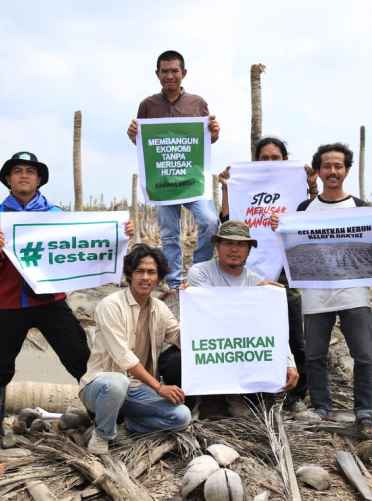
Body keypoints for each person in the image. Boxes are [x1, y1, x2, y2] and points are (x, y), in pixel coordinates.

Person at [0, 151, 134, 451]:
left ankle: (104, 425)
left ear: (39, 179)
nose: (24, 175)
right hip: (8, 303)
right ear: (8, 178)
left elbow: (83, 246)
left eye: (30, 171)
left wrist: (121, 234)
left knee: (80, 358)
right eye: (17, 171)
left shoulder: (56, 215)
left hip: (50, 301)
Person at [272, 143, 372, 435]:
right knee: (315, 354)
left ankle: (364, 411)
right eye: (326, 166)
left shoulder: (362, 207)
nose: (332, 171)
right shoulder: (305, 209)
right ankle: (321, 408)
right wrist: (280, 225)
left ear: (347, 170)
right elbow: (292, 241)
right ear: (318, 171)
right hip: (315, 296)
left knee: (365, 355)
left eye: (338, 166)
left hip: (354, 294)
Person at [159, 220, 300, 418]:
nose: (234, 249)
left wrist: (289, 362)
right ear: (217, 246)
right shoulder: (200, 272)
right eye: (228, 243)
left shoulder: (256, 282)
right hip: (208, 343)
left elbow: (272, 327)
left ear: (249, 250)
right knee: (173, 362)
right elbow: (215, 313)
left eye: (241, 244)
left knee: (266, 357)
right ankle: (193, 402)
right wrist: (251, 295)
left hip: (239, 346)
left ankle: (237, 397)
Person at [217, 137, 315, 409]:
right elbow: (228, 221)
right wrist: (228, 188)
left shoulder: (296, 187)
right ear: (255, 160)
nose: (270, 162)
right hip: (252, 275)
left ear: (285, 160)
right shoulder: (245, 186)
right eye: (264, 158)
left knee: (294, 335)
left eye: (276, 158)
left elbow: (313, 221)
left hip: (287, 275)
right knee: (254, 333)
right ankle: (257, 391)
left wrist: (311, 184)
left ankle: (297, 395)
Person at [79, 244, 192, 455]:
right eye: (140, 271)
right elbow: (124, 358)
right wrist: (159, 388)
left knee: (181, 417)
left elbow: (181, 338)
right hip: (101, 387)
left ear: (159, 278)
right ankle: (102, 436)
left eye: (152, 272)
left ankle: (130, 426)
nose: (145, 277)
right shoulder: (110, 305)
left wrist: (192, 302)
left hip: (137, 391)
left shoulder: (160, 308)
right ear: (130, 274)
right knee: (117, 382)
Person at [127, 50, 220, 293]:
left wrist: (215, 132)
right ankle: (175, 283)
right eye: (165, 71)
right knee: (169, 234)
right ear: (157, 74)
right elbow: (145, 145)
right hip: (163, 183)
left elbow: (205, 142)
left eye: (174, 71)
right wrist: (133, 136)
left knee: (210, 222)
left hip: (192, 179)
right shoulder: (147, 105)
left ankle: (198, 273)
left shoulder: (197, 103)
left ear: (183, 73)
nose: (170, 75)